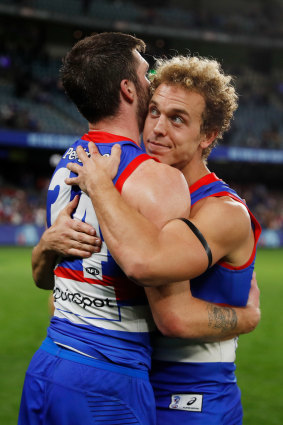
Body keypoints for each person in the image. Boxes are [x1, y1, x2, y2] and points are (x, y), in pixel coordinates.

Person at [61, 56, 262, 425]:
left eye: (177, 119)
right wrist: (48, 248)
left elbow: (175, 318)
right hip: (133, 387)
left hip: (194, 399)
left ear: (208, 136)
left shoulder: (223, 211)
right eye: (153, 111)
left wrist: (247, 317)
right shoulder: (137, 191)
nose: (156, 128)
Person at [18, 32, 194, 425]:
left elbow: (49, 279)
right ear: (128, 89)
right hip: (108, 377)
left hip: (48, 364)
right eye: (147, 76)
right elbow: (173, 313)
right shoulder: (156, 178)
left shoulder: (66, 165)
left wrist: (46, 247)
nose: (154, 85)